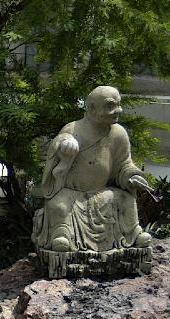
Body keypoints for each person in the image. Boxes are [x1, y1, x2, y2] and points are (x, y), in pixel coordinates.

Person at [32, 85, 153, 253]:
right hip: (72, 193)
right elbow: (60, 145)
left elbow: (124, 164)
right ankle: (63, 235)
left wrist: (131, 176)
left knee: (126, 199)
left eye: (118, 104)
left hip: (102, 193)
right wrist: (65, 147)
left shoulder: (119, 134)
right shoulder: (74, 129)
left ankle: (133, 232)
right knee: (58, 205)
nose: (118, 110)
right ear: (92, 108)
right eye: (110, 106)